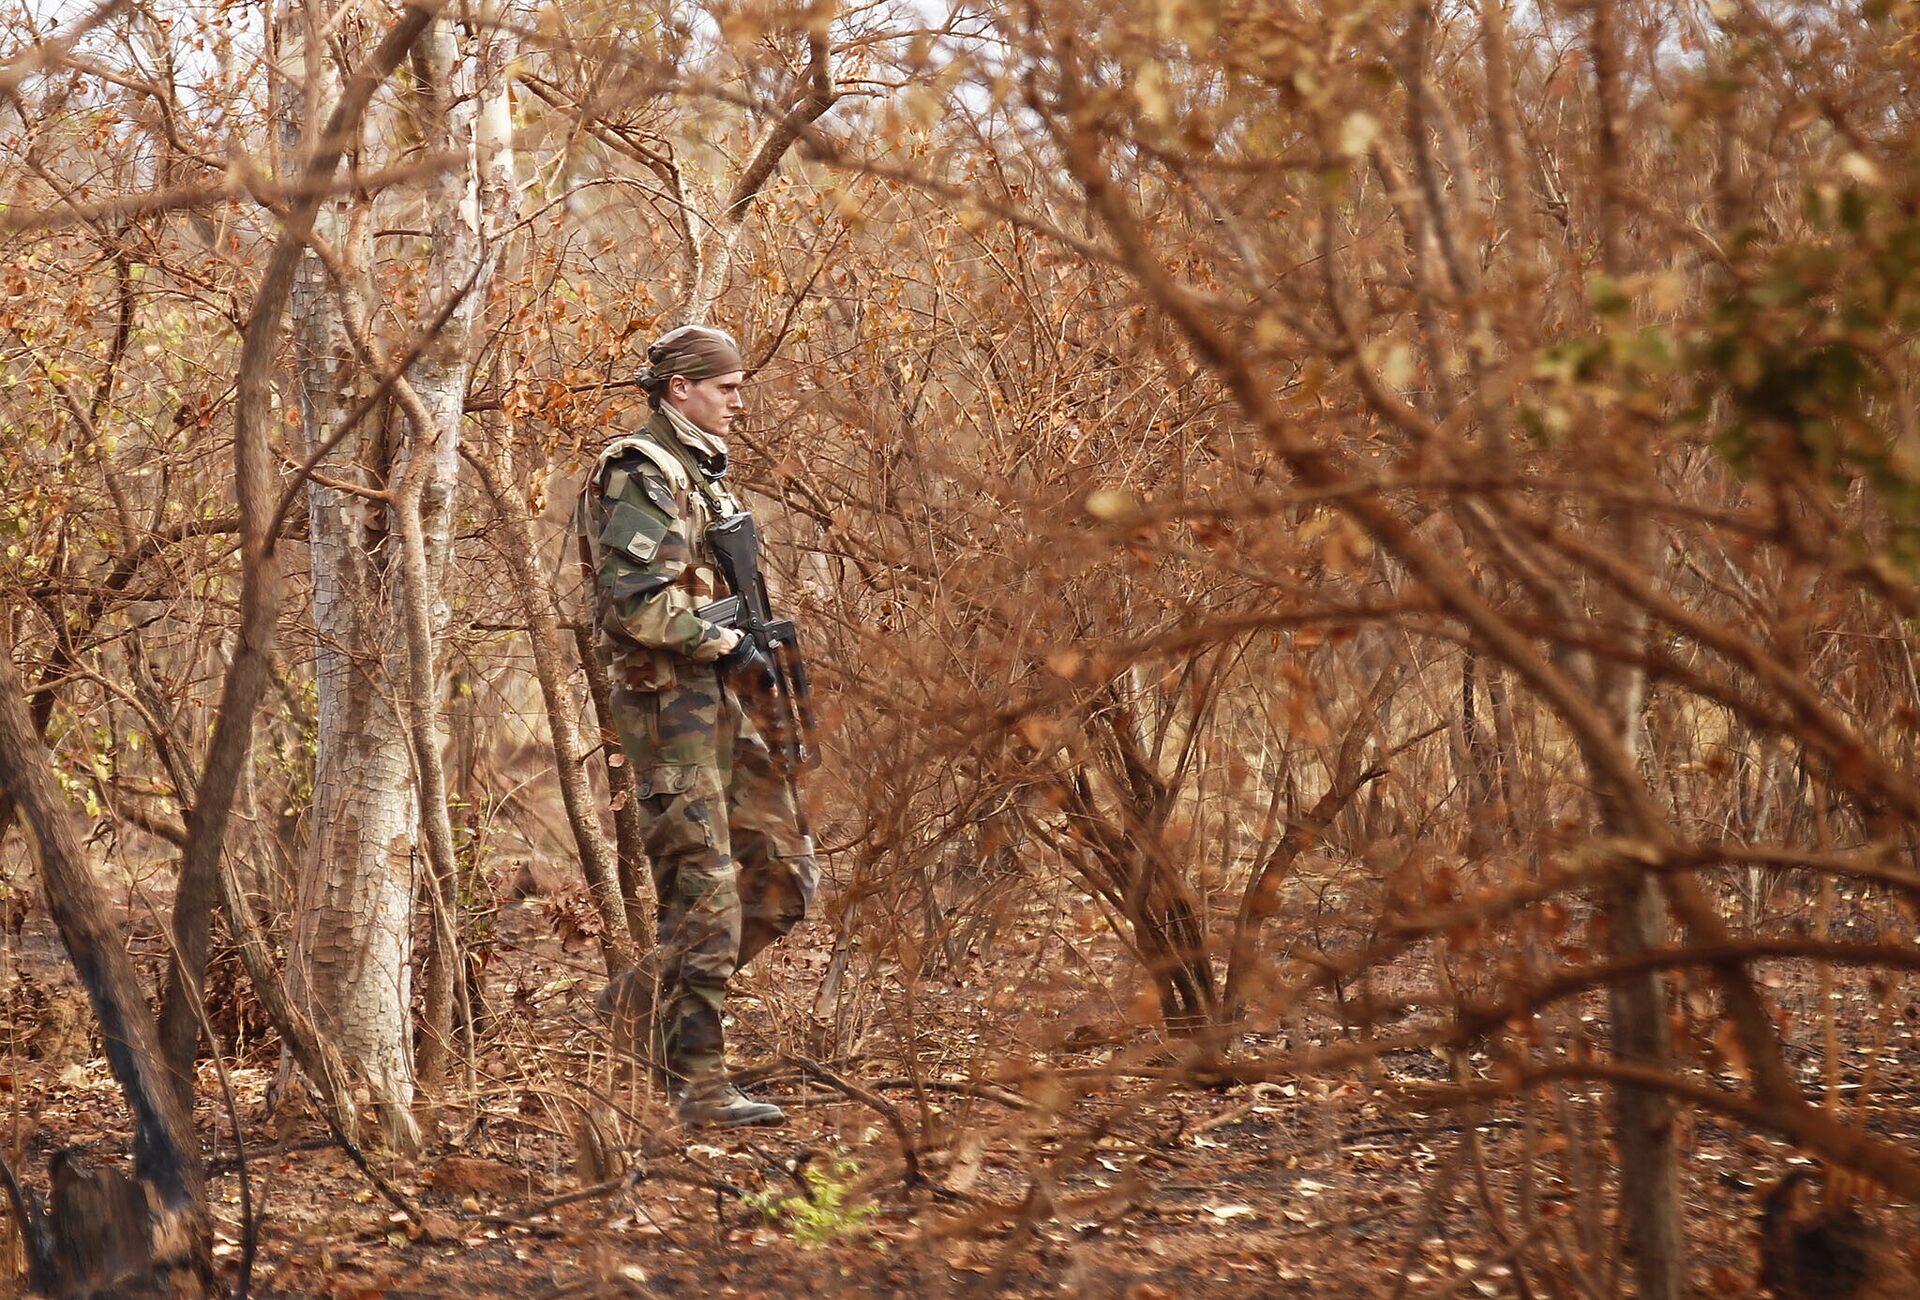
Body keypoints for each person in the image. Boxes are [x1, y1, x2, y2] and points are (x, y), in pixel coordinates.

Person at [577, 324, 817, 1128]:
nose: (738, 400)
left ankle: (634, 1005)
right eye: (726, 386)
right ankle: (700, 1081)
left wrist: (752, 656)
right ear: (680, 388)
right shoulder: (640, 472)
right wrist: (725, 639)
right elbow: (637, 604)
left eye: (740, 385)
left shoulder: (702, 473)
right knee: (706, 893)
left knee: (783, 878)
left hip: (715, 699)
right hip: (667, 707)